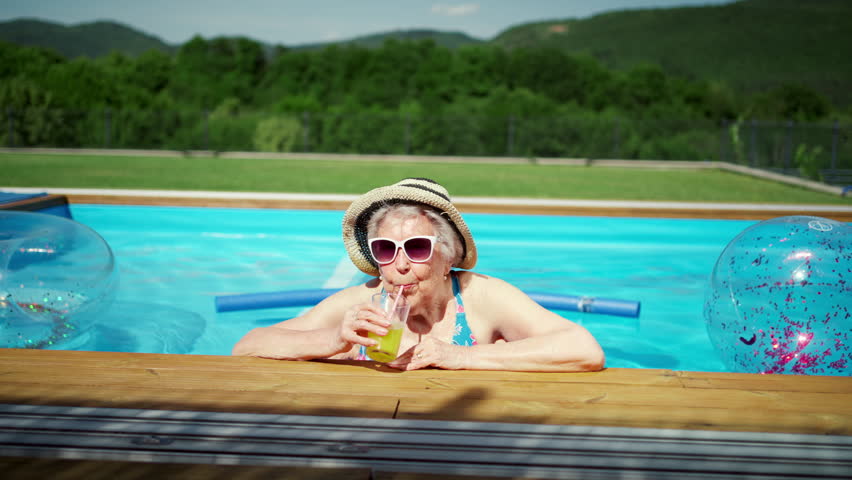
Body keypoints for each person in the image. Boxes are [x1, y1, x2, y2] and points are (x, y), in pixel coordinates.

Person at [233, 178, 605, 372]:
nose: (400, 264)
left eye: (416, 247)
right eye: (385, 249)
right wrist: (332, 340)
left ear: (447, 257)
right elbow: (247, 346)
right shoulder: (360, 304)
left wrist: (461, 358)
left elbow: (583, 349)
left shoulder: (480, 296)